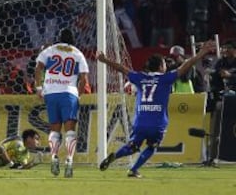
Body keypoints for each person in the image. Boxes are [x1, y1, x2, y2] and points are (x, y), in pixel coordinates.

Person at [96, 40, 215, 178]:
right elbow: (186, 66)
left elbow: (122, 68)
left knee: (133, 146)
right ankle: (133, 170)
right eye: (164, 63)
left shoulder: (140, 77)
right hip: (157, 121)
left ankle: (116, 155)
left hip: (140, 121)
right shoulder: (166, 78)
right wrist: (200, 54)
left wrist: (104, 60)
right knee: (152, 146)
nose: (166, 66)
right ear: (160, 66)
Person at [34, 28, 89, 178]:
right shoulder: (77, 53)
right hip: (69, 93)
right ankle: (69, 160)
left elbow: (38, 67)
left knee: (54, 129)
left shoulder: (50, 50)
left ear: (59, 38)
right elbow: (84, 78)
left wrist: (39, 87)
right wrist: (78, 94)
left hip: (51, 93)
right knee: (70, 130)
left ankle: (54, 157)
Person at [207, 39, 236, 165]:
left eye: (228, 48)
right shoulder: (220, 62)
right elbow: (214, 79)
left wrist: (231, 76)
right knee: (217, 128)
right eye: (224, 48)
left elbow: (230, 76)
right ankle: (213, 156)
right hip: (224, 100)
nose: (225, 50)